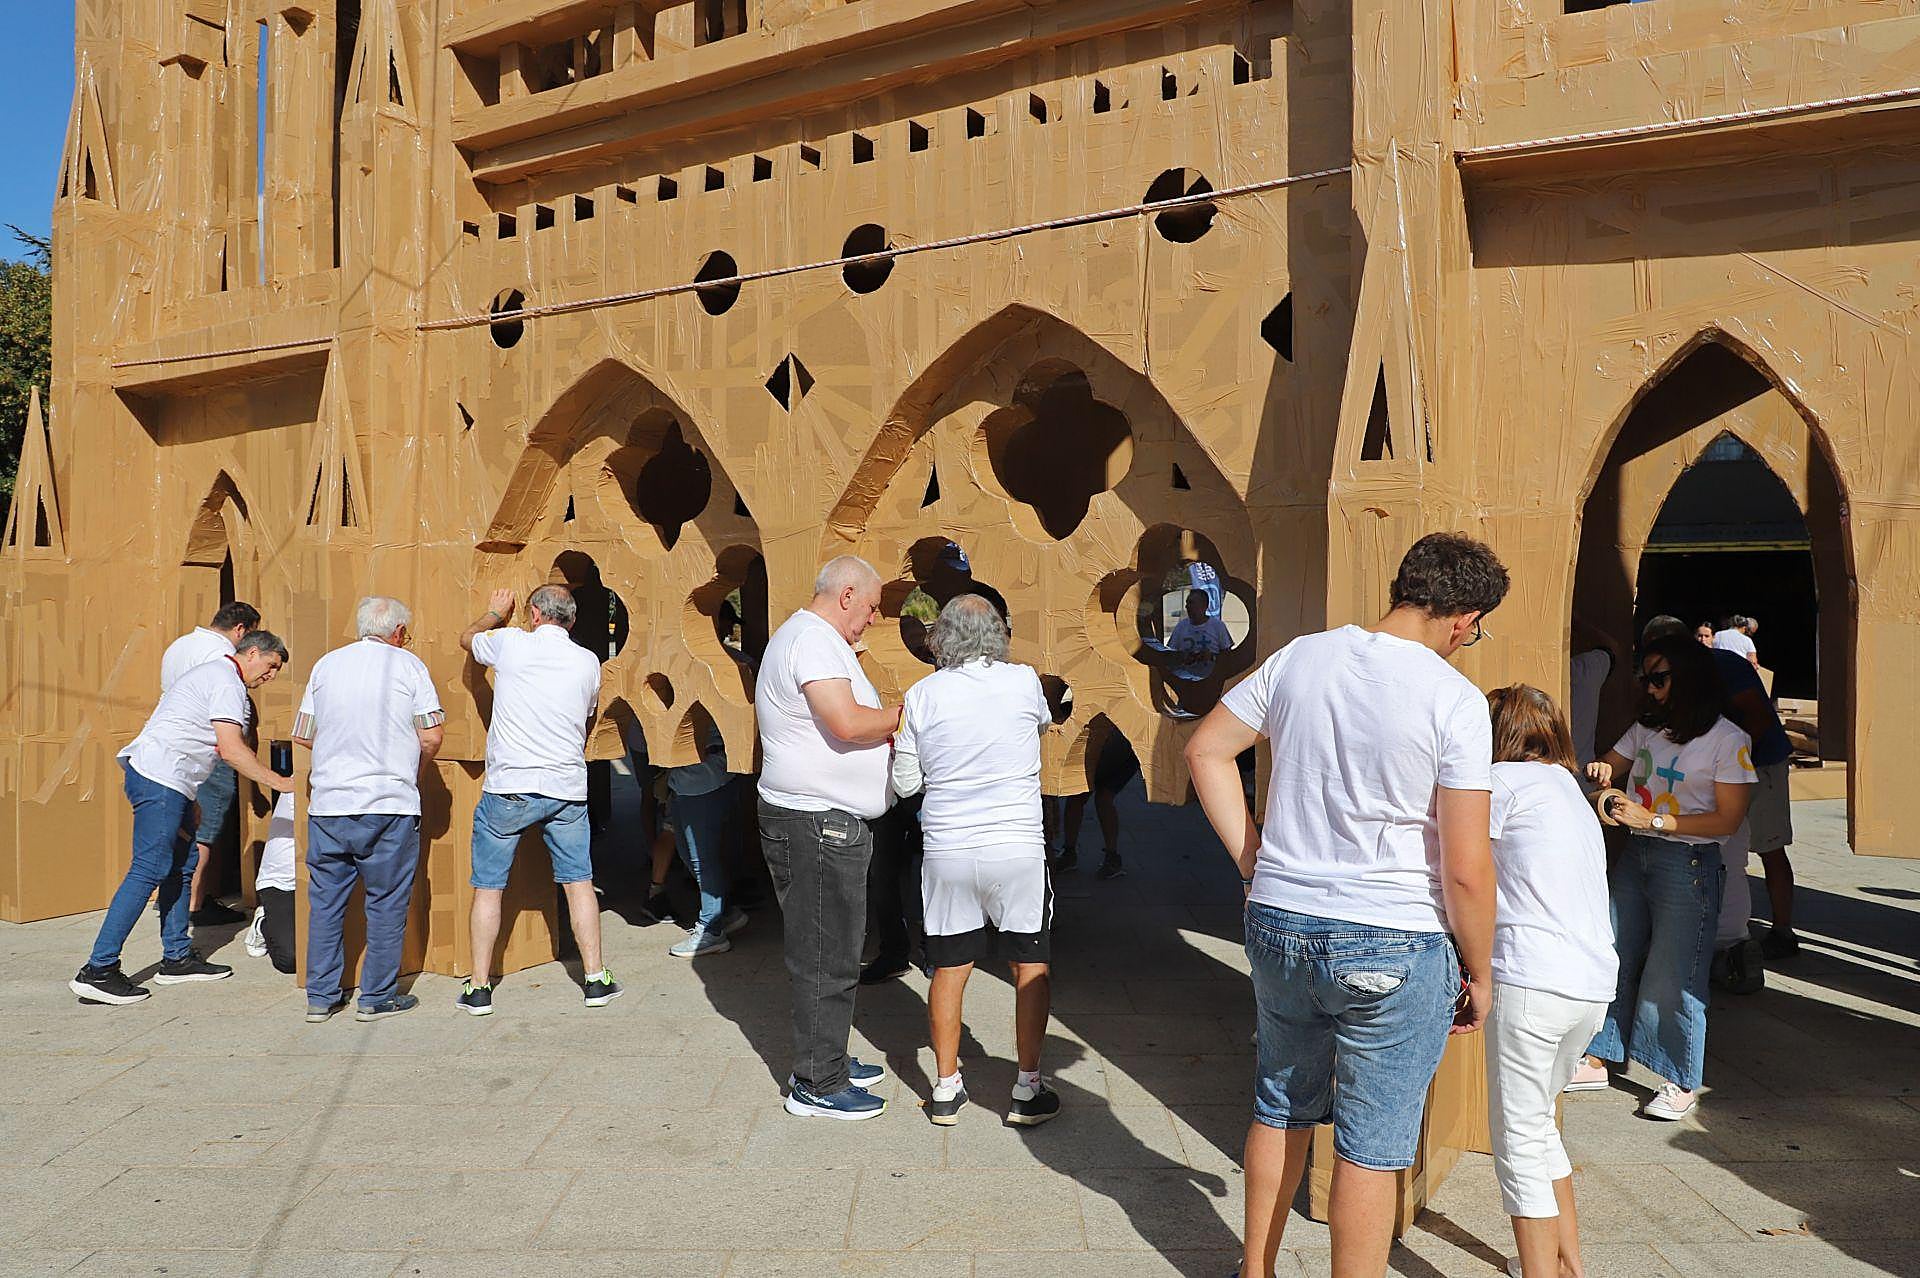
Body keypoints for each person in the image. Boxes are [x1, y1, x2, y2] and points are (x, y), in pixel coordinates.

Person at [1184, 531, 1506, 1278]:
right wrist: (1483, 972)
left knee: (1280, 1104)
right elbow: (1466, 867)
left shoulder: (1302, 655)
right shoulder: (1453, 699)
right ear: (1462, 618)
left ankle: (1254, 1270)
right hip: (1393, 936)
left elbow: (1206, 749)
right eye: (1477, 628)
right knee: (1372, 1145)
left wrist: (1251, 856)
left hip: (1281, 917)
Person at [890, 595, 1060, 1127]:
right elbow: (1039, 728)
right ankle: (1027, 1088)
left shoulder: (921, 695)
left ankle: (944, 1088)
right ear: (999, 634)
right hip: (1017, 847)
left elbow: (906, 782)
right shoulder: (1025, 681)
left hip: (949, 849)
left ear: (941, 637)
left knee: (949, 966)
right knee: (1029, 964)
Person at [1570, 634, 1754, 1121]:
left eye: (1659, 678)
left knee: (1674, 974)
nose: (1649, 688)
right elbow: (1611, 764)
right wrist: (1602, 774)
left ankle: (1679, 1079)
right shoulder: (1647, 728)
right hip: (1638, 856)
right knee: (1612, 952)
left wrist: (1653, 820)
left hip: (1688, 863)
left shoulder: (1727, 740)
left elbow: (1727, 822)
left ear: (1688, 679)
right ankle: (1597, 1056)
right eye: (1644, 677)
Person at [70, 632, 295, 1005]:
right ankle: (99, 969)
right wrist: (281, 783)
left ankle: (176, 959)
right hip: (161, 780)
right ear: (252, 652)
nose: (270, 676)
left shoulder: (216, 675)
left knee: (181, 864)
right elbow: (231, 749)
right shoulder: (227, 682)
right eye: (271, 666)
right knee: (148, 869)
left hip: (170, 781)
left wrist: (189, 797)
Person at [756, 555, 898, 1120]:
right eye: (870, 606)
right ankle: (817, 1083)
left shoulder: (814, 639)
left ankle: (825, 1058)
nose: (873, 618)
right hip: (815, 823)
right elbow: (848, 723)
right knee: (826, 956)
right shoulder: (812, 641)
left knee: (832, 949)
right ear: (845, 594)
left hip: (820, 820)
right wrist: (912, 713)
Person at [1482, 686, 1618, 1278]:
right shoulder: (1570, 789)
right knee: (1540, 1125)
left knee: (1517, 1144)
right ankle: (1567, 1266)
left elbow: (1461, 868)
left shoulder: (1499, 784)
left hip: (1533, 980)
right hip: (1591, 984)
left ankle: (1542, 1272)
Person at [458, 585, 620, 1014]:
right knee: (579, 882)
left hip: (510, 783)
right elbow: (587, 717)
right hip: (565, 787)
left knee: (489, 888)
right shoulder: (588, 661)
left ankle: (478, 988)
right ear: (570, 618)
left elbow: (466, 639)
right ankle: (595, 979)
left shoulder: (510, 642)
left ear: (532, 613)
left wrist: (493, 612)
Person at [293, 597, 445, 1023]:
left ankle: (321, 998)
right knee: (386, 903)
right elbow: (432, 734)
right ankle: (376, 997)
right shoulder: (409, 665)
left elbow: (304, 735)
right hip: (388, 804)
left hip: (329, 805)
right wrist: (411, 769)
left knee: (325, 905)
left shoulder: (326, 665)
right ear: (397, 633)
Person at [1642, 615, 1798, 983]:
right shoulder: (1683, 677)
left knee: (1768, 847)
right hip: (1727, 771)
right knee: (1729, 854)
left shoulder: (1726, 665)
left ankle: (1782, 931)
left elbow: (1757, 720)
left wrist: (1722, 762)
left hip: (1760, 766)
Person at [160, 601, 263, 927]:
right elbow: (227, 706)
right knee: (205, 831)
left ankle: (181, 897)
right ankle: (195, 904)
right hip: (211, 745)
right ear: (241, 630)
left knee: (184, 828)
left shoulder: (180, 645)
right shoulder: (220, 656)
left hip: (176, 750)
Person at [664, 718, 750, 957]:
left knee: (703, 859)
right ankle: (724, 910)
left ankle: (711, 931)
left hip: (703, 777)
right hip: (686, 779)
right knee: (687, 853)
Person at [1057, 731, 1138, 879]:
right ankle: (1070, 852)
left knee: (1101, 798)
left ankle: (1110, 857)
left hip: (1119, 746)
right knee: (1079, 796)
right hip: (1099, 742)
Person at [244, 792, 297, 975]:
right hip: (284, 882)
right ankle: (264, 923)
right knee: (291, 959)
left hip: (322, 878)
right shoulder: (300, 780)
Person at [1168, 588, 1236, 681]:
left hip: (1212, 680)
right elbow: (1170, 654)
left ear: (1204, 606)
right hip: (1186, 681)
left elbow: (1228, 656)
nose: (1187, 606)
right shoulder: (1181, 626)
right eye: (1187, 603)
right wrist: (1183, 657)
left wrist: (1211, 657)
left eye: (1191, 603)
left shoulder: (1217, 626)